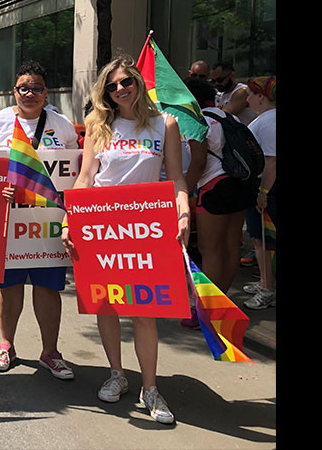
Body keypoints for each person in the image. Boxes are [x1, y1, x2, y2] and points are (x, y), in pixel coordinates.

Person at [62, 55, 189, 425]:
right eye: (112, 85)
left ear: (138, 82)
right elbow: (85, 179)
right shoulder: (97, 127)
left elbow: (176, 177)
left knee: (144, 312)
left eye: (126, 82)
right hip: (101, 227)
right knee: (106, 306)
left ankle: (150, 387)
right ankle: (116, 373)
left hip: (146, 228)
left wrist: (183, 211)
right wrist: (71, 221)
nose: (120, 89)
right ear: (104, 91)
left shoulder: (165, 124)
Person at [0, 60, 78, 380]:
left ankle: (50, 351)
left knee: (48, 286)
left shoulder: (62, 125)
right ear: (14, 91)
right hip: (10, 219)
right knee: (9, 284)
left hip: (49, 219)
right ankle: (6, 345)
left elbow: (73, 169)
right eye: (23, 88)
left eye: (36, 88)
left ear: (46, 93)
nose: (29, 93)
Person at [181, 78, 257, 326]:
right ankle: (222, 301)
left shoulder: (197, 120)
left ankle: (206, 311)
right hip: (241, 183)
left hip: (215, 186)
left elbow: (199, 162)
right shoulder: (227, 116)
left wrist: (184, 192)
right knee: (230, 244)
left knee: (209, 249)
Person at [242, 76, 276, 310]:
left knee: (263, 239)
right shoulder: (266, 120)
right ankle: (267, 281)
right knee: (259, 238)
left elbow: (271, 162)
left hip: (267, 189)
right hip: (265, 187)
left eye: (251, 95)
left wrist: (263, 192)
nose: (247, 99)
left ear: (261, 97)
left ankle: (267, 288)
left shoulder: (268, 122)